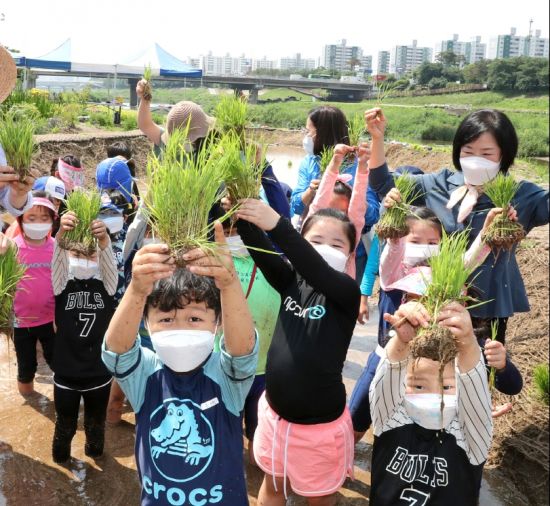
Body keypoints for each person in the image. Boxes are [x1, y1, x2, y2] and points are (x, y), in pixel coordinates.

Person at [102, 222, 258, 505]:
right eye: (166, 319)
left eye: (195, 319)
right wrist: (137, 291)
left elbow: (242, 350)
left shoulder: (225, 376)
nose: (181, 328)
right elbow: (116, 350)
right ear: (146, 325)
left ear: (218, 324)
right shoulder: (146, 374)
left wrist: (229, 282)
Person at [367, 107, 549, 343]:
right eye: (468, 151)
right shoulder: (437, 184)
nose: (476, 160)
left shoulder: (520, 195)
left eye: (486, 154)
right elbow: (383, 184)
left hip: (488, 306)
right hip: (434, 300)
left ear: (504, 155)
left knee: (481, 370)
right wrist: (377, 138)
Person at [349, 204, 515, 443]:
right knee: (357, 417)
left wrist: (487, 232)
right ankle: (344, 461)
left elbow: (471, 258)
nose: (424, 249)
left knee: (403, 424)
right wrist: (396, 238)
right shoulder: (394, 275)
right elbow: (390, 257)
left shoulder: (443, 274)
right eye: (414, 240)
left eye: (432, 242)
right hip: (387, 358)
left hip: (424, 367)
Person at [236, 199, 361, 505]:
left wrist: (278, 225)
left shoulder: (346, 292)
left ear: (349, 255)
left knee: (318, 496)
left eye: (336, 243)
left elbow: (314, 267)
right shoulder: (290, 279)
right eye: (316, 240)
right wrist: (241, 215)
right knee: (274, 484)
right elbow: (260, 248)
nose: (325, 248)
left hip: (319, 430)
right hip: (276, 416)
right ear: (303, 242)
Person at [369, 300, 493, 505]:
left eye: (446, 388)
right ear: (404, 385)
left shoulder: (470, 436)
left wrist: (468, 342)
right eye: (418, 386)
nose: (434, 396)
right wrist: (401, 342)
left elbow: (474, 387)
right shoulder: (391, 418)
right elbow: (389, 376)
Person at [50, 210, 118, 463]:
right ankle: (60, 464)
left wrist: (104, 244)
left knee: (95, 426)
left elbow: (109, 264)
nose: (84, 260)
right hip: (65, 374)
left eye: (90, 255)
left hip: (98, 374)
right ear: (69, 256)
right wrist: (60, 236)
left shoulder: (107, 286)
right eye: (77, 254)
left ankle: (96, 457)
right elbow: (57, 258)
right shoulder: (62, 285)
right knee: (64, 426)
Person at [290, 107, 380, 245]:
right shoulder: (309, 162)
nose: (306, 136)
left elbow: (373, 215)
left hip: (351, 246)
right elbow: (296, 207)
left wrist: (352, 194)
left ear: (323, 133)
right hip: (314, 242)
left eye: (309, 131)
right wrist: (312, 190)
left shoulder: (359, 164)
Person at [9, 193, 57, 396]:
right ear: (20, 219)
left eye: (44, 218)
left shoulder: (55, 247)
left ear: (53, 221)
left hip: (51, 320)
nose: (38, 223)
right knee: (26, 368)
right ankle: (30, 401)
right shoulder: (12, 248)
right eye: (31, 218)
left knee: (58, 363)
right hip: (21, 322)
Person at [306, 143, 370, 279]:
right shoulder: (311, 227)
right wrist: (334, 164)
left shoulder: (351, 233)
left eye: (341, 213)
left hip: (339, 298)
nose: (333, 218)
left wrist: (363, 168)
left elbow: (357, 207)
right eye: (328, 211)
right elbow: (319, 202)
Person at [136, 80, 215, 157]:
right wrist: (144, 97)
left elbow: (145, 125)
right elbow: (145, 125)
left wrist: (144, 98)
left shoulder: (165, 144)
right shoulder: (209, 153)